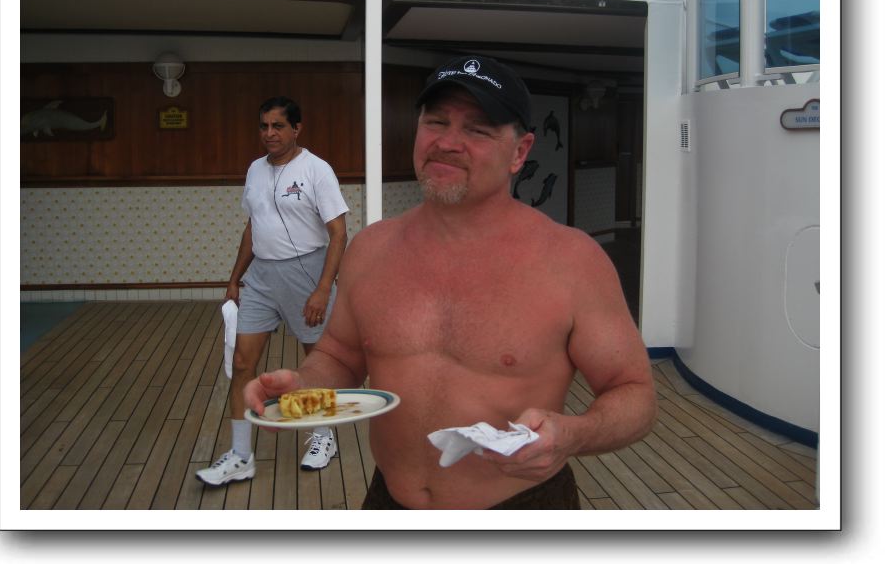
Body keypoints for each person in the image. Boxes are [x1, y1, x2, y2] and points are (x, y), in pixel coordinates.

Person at [244, 57, 657, 508]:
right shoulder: (371, 249)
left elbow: (634, 395)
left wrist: (574, 434)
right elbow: (339, 357)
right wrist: (302, 386)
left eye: (478, 130)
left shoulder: (572, 261)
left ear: (519, 152)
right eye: (436, 122)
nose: (447, 143)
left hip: (522, 505)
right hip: (389, 501)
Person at [196, 96, 349, 486]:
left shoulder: (316, 169)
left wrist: (322, 289)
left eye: (278, 126)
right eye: (264, 126)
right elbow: (253, 226)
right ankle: (241, 455)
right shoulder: (255, 170)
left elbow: (338, 233)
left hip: (306, 272)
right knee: (242, 362)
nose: (269, 133)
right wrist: (235, 278)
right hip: (261, 276)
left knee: (317, 362)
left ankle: (323, 436)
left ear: (296, 129)